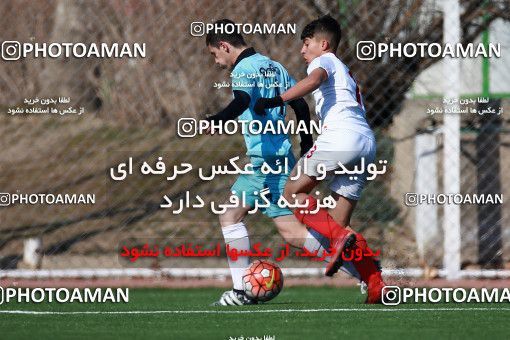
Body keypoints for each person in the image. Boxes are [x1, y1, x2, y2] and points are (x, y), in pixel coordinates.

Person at [203, 19, 363, 306]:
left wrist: (215, 121)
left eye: (215, 54)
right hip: (281, 158)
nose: (217, 62)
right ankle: (366, 273)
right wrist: (306, 142)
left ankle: (241, 292)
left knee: (229, 216)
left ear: (224, 46)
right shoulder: (273, 66)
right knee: (292, 232)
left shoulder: (242, 70)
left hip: (263, 160)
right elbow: (300, 105)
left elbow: (241, 102)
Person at [254, 15, 385, 303]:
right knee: (336, 225)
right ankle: (376, 284)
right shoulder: (345, 70)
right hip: (365, 142)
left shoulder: (324, 61)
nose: (303, 51)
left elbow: (314, 80)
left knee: (291, 192)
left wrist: (278, 100)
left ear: (323, 44)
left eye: (306, 43)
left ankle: (344, 243)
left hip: (342, 137)